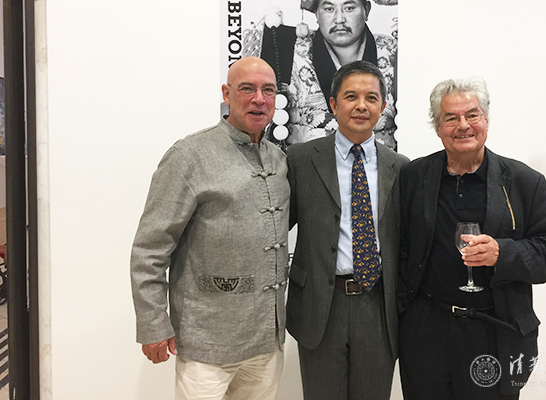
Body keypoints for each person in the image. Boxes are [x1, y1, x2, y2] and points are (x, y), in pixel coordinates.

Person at [397, 77, 546, 399]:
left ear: (486, 120)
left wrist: (502, 253)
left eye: (472, 115)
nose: (463, 125)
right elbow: (400, 246)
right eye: (451, 118)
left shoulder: (524, 181)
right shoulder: (414, 176)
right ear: (438, 127)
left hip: (495, 330)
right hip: (427, 334)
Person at [130, 57, 290, 400]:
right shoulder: (189, 156)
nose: (259, 99)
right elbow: (150, 248)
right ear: (226, 94)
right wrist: (153, 323)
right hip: (206, 342)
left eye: (268, 90)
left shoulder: (279, 160)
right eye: (247, 88)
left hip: (266, 341)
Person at [286, 60, 408, 400]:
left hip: (377, 306)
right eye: (351, 96)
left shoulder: (400, 167)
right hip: (320, 306)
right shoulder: (300, 159)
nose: (361, 106)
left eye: (371, 98)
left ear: (383, 107)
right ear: (333, 104)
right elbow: (276, 226)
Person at [244, 0, 398, 148]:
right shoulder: (286, 48)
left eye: (349, 8)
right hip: (303, 163)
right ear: (316, 13)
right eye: (329, 9)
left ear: (367, 10)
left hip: (379, 162)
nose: (339, 19)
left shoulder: (394, 51)